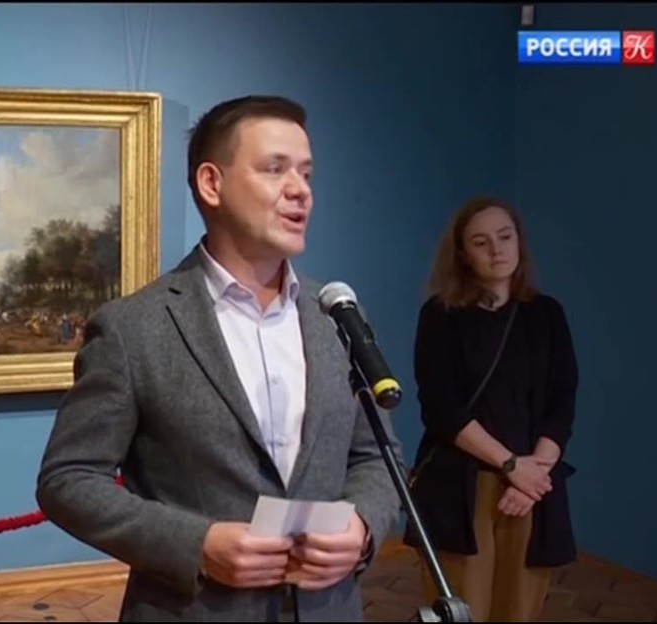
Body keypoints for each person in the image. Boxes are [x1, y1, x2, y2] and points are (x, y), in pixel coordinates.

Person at [36, 95, 404, 622]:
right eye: (275, 169)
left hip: (330, 607)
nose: (300, 190)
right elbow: (68, 480)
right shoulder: (132, 329)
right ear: (212, 183)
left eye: (306, 173)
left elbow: (377, 457)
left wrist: (363, 526)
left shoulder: (337, 315)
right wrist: (197, 543)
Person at [403, 195, 580, 622]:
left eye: (505, 237)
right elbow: (442, 410)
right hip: (463, 488)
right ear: (463, 254)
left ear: (519, 243)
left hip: (532, 488)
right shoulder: (441, 316)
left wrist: (532, 475)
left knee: (518, 610)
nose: (497, 250)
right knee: (462, 610)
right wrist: (510, 465)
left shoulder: (548, 315)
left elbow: (563, 401)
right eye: (481, 242)